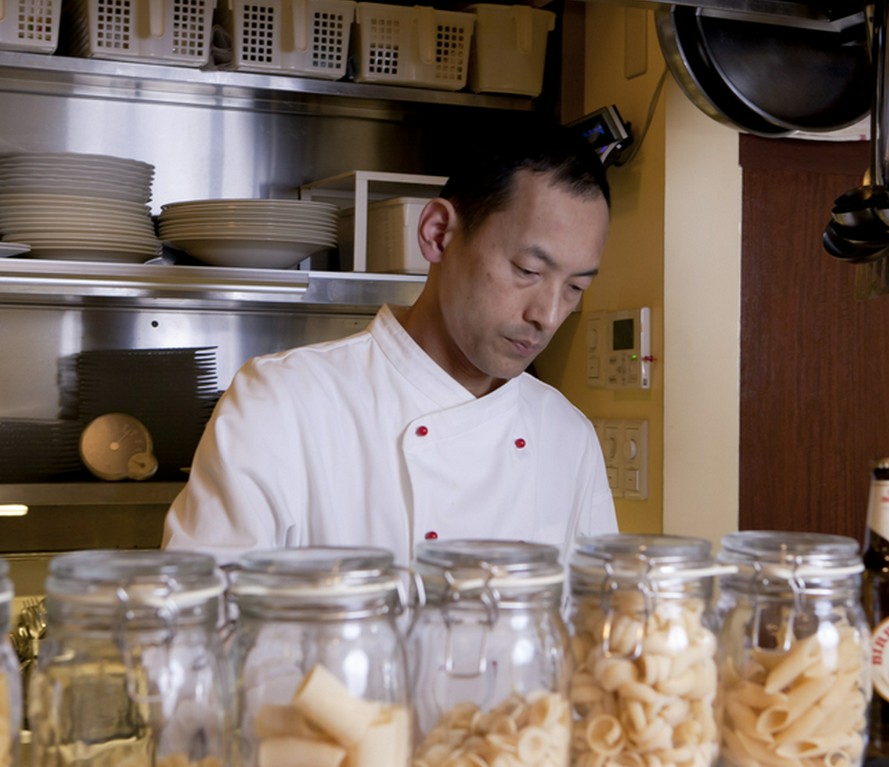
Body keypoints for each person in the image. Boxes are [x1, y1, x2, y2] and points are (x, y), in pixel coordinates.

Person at [162, 123, 619, 566]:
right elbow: (195, 621)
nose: (550, 314)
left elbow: (600, 625)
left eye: (575, 287)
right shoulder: (284, 402)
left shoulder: (566, 435)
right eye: (527, 271)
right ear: (438, 233)